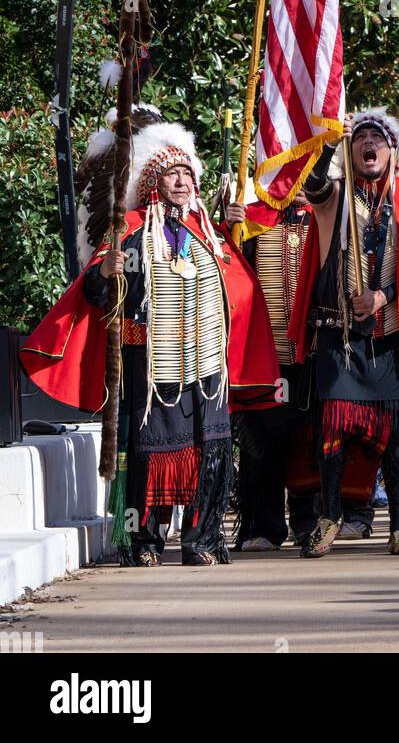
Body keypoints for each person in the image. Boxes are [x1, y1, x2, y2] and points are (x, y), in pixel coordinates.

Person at [21, 113, 278, 567]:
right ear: (154, 182)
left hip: (206, 365)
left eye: (187, 174)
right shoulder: (132, 229)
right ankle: (144, 542)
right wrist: (105, 271)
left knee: (209, 447)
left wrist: (242, 237)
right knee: (152, 453)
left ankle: (201, 541)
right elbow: (96, 295)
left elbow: (241, 291)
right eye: (172, 173)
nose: (181, 181)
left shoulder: (211, 235)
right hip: (150, 362)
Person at [288, 108, 399, 557]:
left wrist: (383, 296)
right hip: (339, 337)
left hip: (389, 340)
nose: (368, 145)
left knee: (397, 437)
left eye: (377, 140)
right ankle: (330, 516)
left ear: (392, 152)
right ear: (352, 151)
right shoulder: (335, 196)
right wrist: (333, 139)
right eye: (361, 140)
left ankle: (398, 528)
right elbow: (308, 183)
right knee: (332, 431)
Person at [226, 190, 319, 550]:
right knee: (262, 440)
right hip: (264, 352)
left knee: (310, 441)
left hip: (312, 350)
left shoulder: (327, 215)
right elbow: (229, 271)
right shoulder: (252, 220)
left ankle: (309, 522)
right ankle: (262, 525)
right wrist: (230, 229)